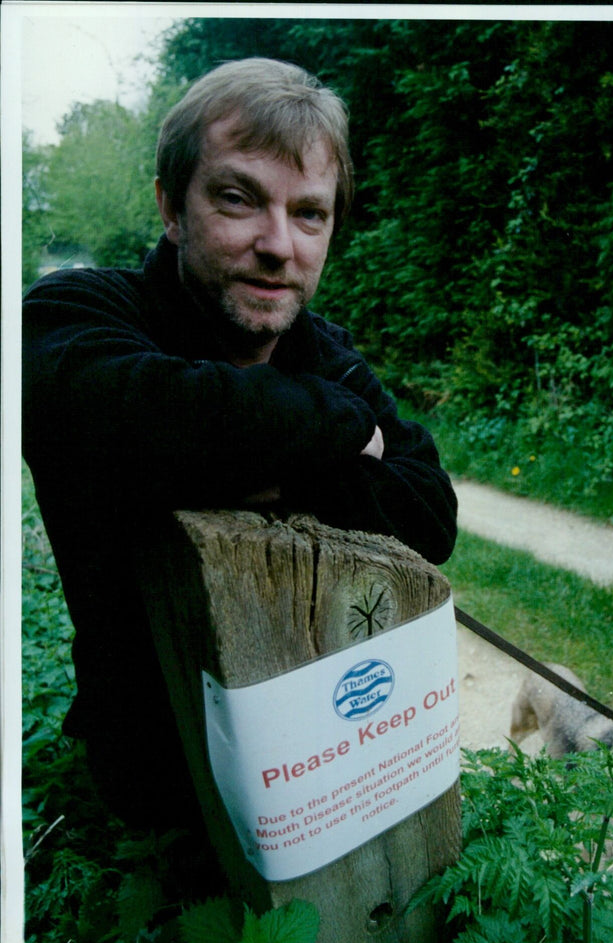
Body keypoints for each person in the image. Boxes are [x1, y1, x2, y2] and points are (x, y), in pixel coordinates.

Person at [22, 57, 457, 835]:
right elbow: (116, 414)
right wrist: (341, 429)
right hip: (154, 799)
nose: (278, 245)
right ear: (171, 205)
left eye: (310, 214)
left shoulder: (324, 350)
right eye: (238, 198)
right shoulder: (76, 312)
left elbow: (428, 514)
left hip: (328, 777)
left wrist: (248, 460)